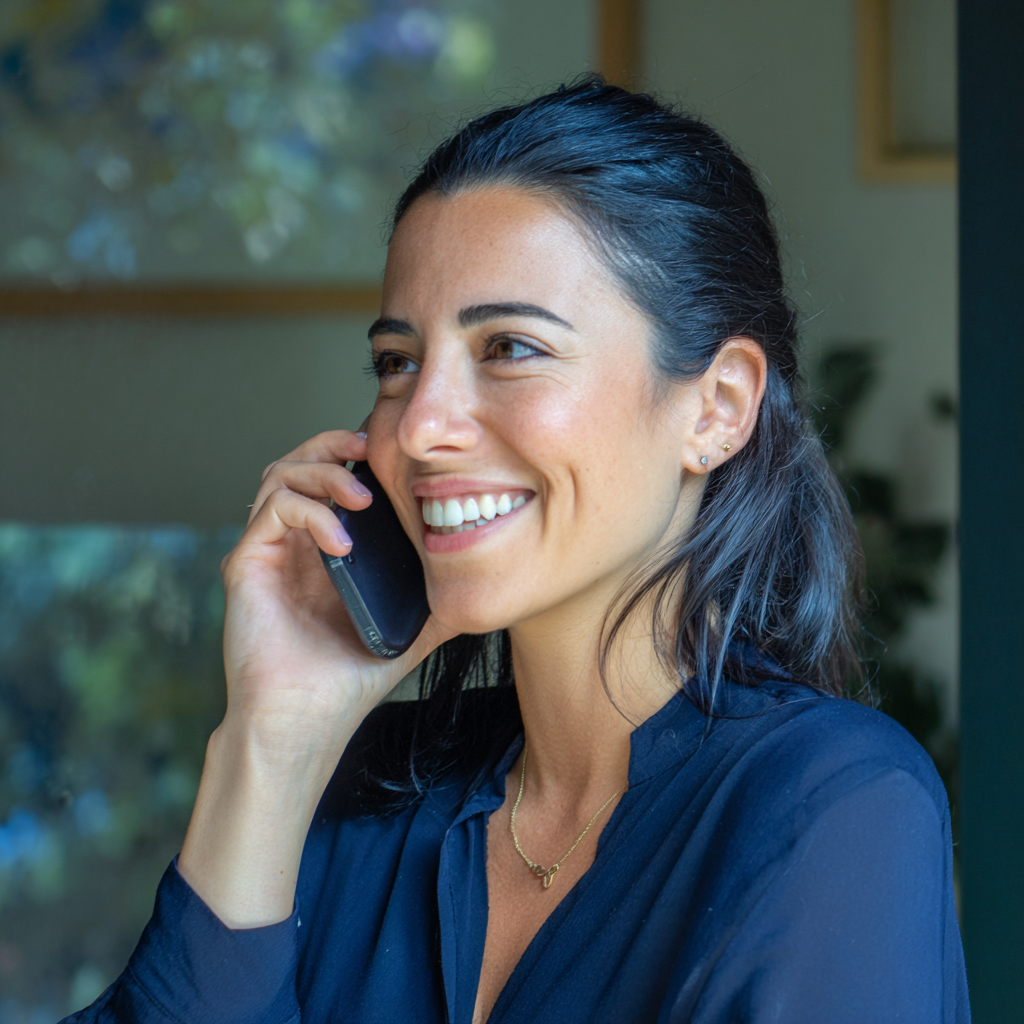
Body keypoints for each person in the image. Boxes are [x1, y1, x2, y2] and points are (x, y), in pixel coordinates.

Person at [65, 78, 969, 1024]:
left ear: (716, 407)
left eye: (509, 348)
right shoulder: (365, 789)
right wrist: (270, 739)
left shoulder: (835, 804)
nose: (419, 426)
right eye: (398, 362)